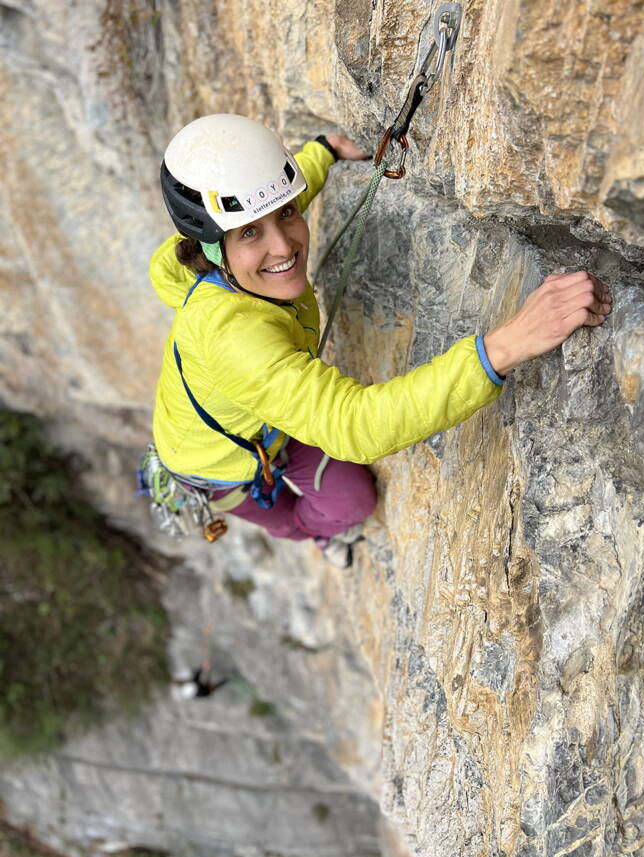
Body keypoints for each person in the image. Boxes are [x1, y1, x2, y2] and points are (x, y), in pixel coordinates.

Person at [151, 114, 611, 567]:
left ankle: (321, 520)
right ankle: (314, 535)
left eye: (287, 213)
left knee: (349, 498)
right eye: (251, 232)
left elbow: (271, 202)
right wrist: (508, 344)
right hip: (216, 467)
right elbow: (355, 423)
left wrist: (322, 152)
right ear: (210, 247)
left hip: (269, 417)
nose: (285, 247)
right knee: (310, 518)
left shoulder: (196, 260)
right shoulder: (233, 339)